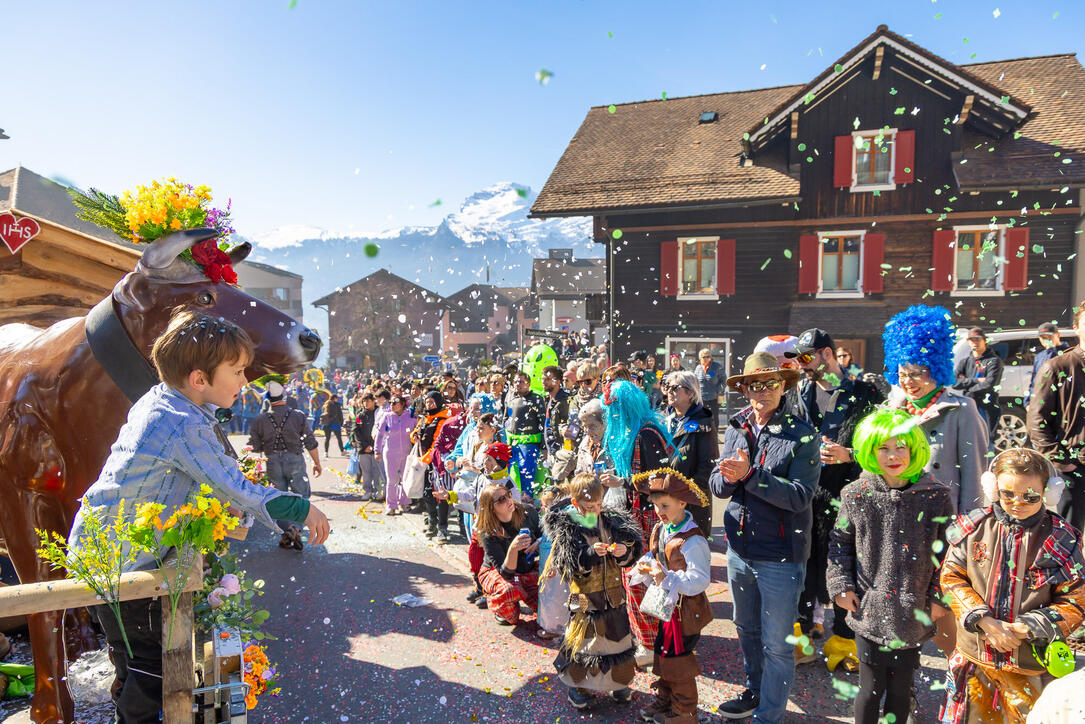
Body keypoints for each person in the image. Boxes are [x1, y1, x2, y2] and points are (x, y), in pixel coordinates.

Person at [68, 311, 330, 723]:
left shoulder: (164, 400)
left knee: (133, 658)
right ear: (199, 380)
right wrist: (302, 507)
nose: (245, 382)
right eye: (238, 371)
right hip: (122, 561)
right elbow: (237, 488)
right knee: (151, 667)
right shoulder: (180, 423)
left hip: (109, 551)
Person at [708, 351, 817, 723]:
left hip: (780, 556)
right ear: (746, 390)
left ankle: (769, 715)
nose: (764, 390)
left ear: (783, 386)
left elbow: (801, 496)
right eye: (756, 384)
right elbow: (717, 485)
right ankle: (755, 692)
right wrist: (728, 476)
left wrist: (750, 475)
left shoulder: (802, 435)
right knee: (747, 629)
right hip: (739, 550)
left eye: (772, 383)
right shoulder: (737, 426)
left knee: (777, 645)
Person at [827, 408, 954, 724]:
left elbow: (949, 553)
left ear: (914, 449)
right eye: (883, 448)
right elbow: (839, 544)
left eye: (901, 447)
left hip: (914, 611)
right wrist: (841, 586)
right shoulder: (857, 493)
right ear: (870, 450)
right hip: (870, 611)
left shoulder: (936, 496)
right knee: (870, 690)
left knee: (901, 690)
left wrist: (939, 599)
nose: (893, 455)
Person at [940, 448, 1085, 723]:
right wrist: (984, 620)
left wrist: (1027, 627)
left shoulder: (1064, 538)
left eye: (1029, 496)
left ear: (1048, 493)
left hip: (1031, 664)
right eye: (1008, 494)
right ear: (994, 488)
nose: (1018, 502)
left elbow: (1076, 598)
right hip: (975, 656)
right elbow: (951, 576)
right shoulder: (974, 527)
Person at [783, 327, 883, 669]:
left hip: (848, 499)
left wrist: (850, 454)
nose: (802, 365)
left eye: (807, 357)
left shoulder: (866, 393)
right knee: (802, 569)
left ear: (827, 353)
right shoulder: (797, 392)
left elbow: (883, 446)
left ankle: (843, 644)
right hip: (806, 496)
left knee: (845, 571)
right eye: (798, 359)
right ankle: (803, 639)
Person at [544, 473, 643, 710]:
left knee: (617, 639)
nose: (595, 511)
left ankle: (618, 681)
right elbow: (565, 564)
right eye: (589, 507)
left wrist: (623, 552)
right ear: (576, 504)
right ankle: (577, 685)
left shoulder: (611, 521)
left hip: (613, 596)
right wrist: (588, 554)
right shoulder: (570, 527)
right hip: (584, 598)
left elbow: (631, 552)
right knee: (584, 643)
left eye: (599, 505)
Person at [884, 306, 989, 515]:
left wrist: (969, 526)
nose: (907, 382)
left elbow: (973, 477)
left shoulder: (962, 410)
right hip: (900, 517)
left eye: (916, 374)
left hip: (942, 519)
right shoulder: (892, 410)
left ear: (936, 368)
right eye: (902, 374)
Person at [630, 469, 713, 724]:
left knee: (678, 663)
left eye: (665, 505)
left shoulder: (693, 539)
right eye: (655, 506)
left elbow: (699, 581)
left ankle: (686, 713)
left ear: (682, 503)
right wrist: (645, 567)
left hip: (686, 613)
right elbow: (656, 558)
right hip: (667, 610)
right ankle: (666, 703)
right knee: (663, 654)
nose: (659, 511)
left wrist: (665, 578)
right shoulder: (662, 528)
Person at [600, 379, 673, 665]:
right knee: (639, 578)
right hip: (641, 517)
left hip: (648, 519)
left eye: (616, 408)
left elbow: (659, 479)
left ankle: (649, 644)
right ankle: (650, 638)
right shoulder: (642, 430)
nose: (612, 415)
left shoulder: (646, 434)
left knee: (639, 579)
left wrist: (624, 481)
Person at [249, 379, 324, 550]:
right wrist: (317, 463)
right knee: (301, 495)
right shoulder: (298, 415)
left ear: (268, 399)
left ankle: (287, 531)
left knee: (278, 498)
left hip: (272, 460)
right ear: (284, 395)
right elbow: (310, 442)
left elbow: (255, 446)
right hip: (295, 458)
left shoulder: (260, 419)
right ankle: (297, 528)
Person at [1029, 306, 1085, 533]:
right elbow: (1036, 419)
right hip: (1074, 467)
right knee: (1069, 538)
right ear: (1076, 328)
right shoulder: (1057, 367)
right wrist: (1061, 461)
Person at [475, 482, 542, 626]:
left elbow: (547, 532)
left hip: (526, 568)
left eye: (507, 495)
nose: (508, 501)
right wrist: (513, 549)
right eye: (500, 500)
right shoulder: (489, 532)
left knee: (546, 607)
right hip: (498, 572)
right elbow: (506, 574)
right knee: (511, 607)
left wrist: (541, 541)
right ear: (491, 508)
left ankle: (520, 594)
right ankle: (498, 604)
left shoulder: (528, 512)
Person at [662, 371, 716, 537]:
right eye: (668, 387)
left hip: (690, 504)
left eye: (675, 387)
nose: (669, 391)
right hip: (663, 500)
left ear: (691, 393)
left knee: (690, 554)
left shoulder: (703, 422)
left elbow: (708, 465)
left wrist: (684, 494)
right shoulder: (663, 418)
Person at [411, 390, 455, 539]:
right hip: (424, 461)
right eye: (427, 401)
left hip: (436, 463)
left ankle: (442, 527)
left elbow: (437, 444)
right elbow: (414, 434)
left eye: (432, 402)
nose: (429, 404)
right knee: (426, 494)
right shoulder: (425, 417)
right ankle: (432, 522)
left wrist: (424, 460)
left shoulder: (442, 419)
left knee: (440, 495)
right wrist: (414, 436)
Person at [954, 327, 1003, 442]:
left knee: (986, 442)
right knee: (969, 441)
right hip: (968, 406)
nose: (975, 343)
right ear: (968, 342)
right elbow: (954, 383)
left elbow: (989, 385)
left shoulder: (994, 361)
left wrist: (966, 384)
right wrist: (975, 381)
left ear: (984, 340)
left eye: (978, 339)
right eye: (972, 340)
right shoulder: (965, 361)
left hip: (986, 407)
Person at [504, 371, 546, 498]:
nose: (518, 384)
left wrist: (544, 447)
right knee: (509, 477)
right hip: (512, 444)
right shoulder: (510, 397)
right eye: (516, 381)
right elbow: (506, 419)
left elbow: (543, 423)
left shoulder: (536, 398)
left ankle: (528, 506)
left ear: (528, 384)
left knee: (526, 477)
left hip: (529, 444)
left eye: (522, 382)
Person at [375, 395, 414, 514]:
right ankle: (391, 505)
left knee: (405, 478)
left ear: (402, 404)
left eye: (395, 402)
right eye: (390, 402)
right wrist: (377, 450)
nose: (392, 404)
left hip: (407, 453)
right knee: (392, 480)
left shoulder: (411, 417)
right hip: (390, 453)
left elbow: (417, 431)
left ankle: (405, 502)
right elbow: (380, 435)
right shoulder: (387, 417)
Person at [350, 391, 382, 500]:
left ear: (373, 401)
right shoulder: (360, 415)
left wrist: (374, 445)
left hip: (377, 448)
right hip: (363, 449)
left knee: (377, 471)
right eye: (364, 401)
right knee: (366, 471)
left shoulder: (380, 413)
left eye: (368, 401)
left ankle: (378, 490)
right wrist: (364, 446)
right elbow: (356, 431)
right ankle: (367, 491)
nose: (366, 403)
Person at [693, 349, 726, 429]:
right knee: (702, 416)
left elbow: (724, 380)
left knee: (714, 417)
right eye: (703, 357)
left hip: (714, 397)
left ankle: (715, 434)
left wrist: (718, 390)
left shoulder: (717, 367)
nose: (706, 358)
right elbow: (694, 381)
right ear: (700, 358)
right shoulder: (698, 368)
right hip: (702, 397)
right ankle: (705, 434)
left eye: (708, 356)